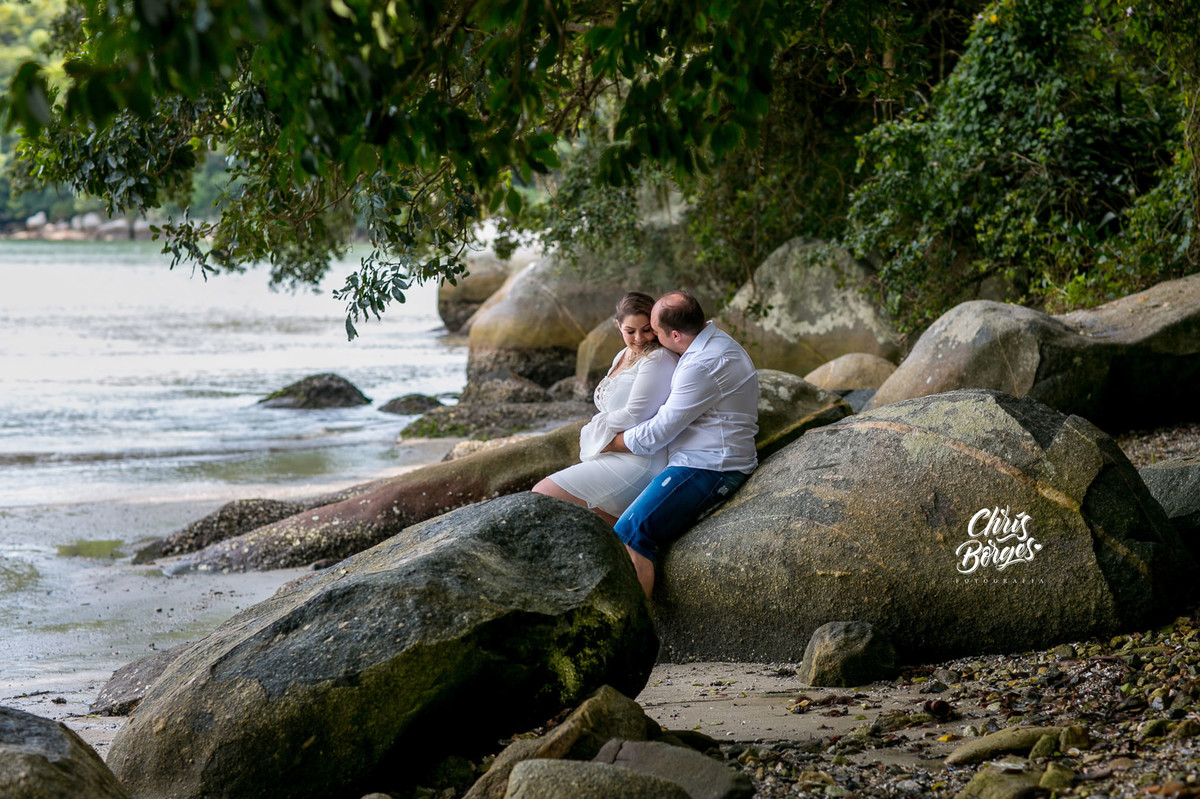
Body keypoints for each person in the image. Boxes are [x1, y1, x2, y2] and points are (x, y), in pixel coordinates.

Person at [602, 290, 758, 598]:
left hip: (710, 467)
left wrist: (611, 443)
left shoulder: (701, 364)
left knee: (631, 534)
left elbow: (660, 431)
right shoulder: (713, 341)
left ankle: (640, 631)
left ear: (675, 333)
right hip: (701, 458)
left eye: (654, 331)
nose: (650, 339)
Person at [531, 292, 679, 525]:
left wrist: (593, 432)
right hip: (615, 455)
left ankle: (624, 533)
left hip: (639, 460)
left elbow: (634, 415)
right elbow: (609, 407)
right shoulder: (624, 354)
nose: (639, 338)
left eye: (646, 329)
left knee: (543, 493)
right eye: (630, 331)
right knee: (561, 504)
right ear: (618, 326)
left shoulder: (657, 359)